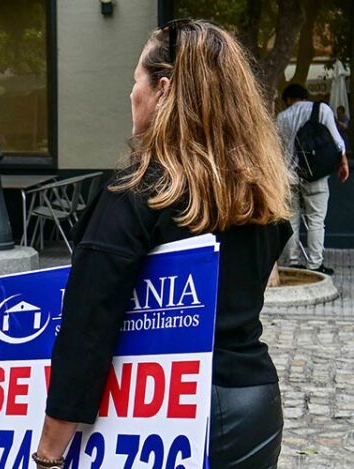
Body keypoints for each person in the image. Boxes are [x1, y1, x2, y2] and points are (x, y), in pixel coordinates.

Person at [32, 20, 292, 469]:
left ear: (163, 88)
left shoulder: (134, 191)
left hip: (167, 411)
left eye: (135, 80)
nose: (130, 94)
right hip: (254, 404)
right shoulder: (258, 193)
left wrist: (49, 454)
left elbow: (87, 328)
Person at [276, 84, 348, 275]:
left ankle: (292, 262)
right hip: (316, 175)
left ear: (289, 100)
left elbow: (278, 150)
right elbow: (337, 141)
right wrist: (343, 163)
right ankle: (315, 265)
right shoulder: (321, 109)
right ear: (305, 96)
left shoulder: (282, 117)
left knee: (291, 219)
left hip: (289, 175)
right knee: (316, 219)